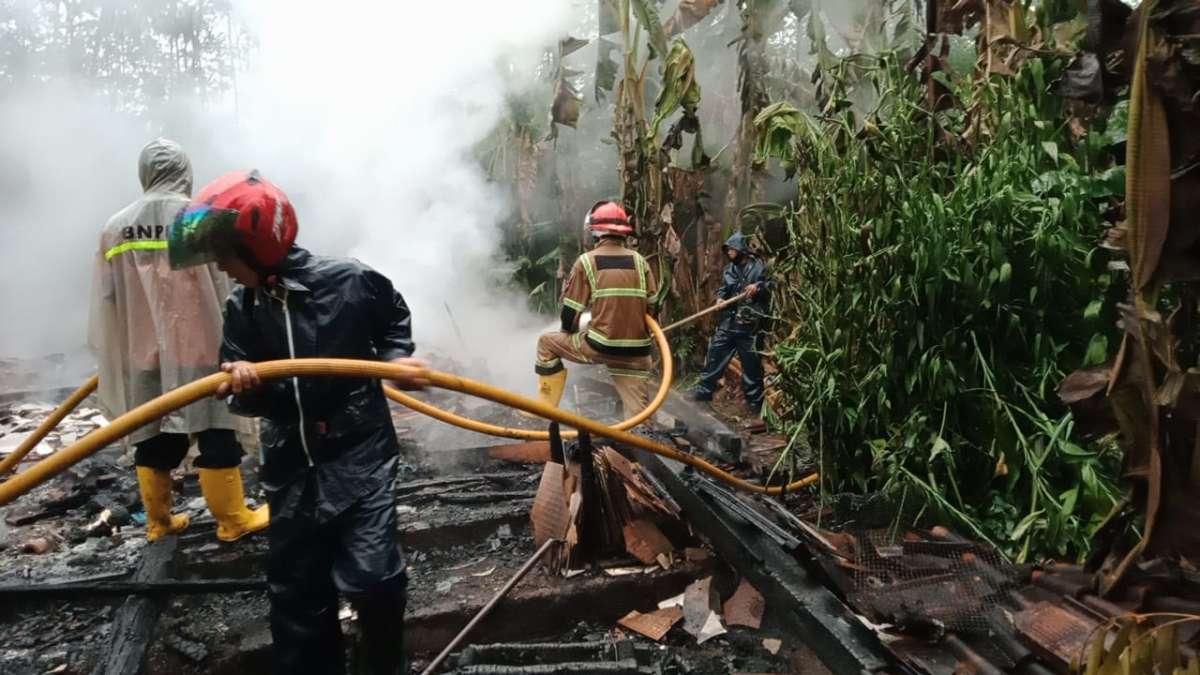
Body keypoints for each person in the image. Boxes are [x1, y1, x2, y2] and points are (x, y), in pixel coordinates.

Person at [167, 169, 426, 675]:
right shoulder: (242, 306)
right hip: (290, 465)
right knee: (296, 593)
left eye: (225, 251)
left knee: (374, 581)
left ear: (260, 244)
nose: (219, 264)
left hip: (360, 457)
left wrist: (398, 359)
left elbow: (393, 318)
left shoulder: (350, 281)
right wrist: (245, 383)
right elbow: (239, 389)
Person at [87, 138, 267, 543]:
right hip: (203, 347)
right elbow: (229, 281)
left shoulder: (114, 227)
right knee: (217, 429)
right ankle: (233, 519)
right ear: (184, 170)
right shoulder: (201, 218)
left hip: (143, 353)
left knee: (152, 432)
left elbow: (106, 296)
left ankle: (158, 522)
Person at [533, 201, 660, 419]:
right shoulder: (640, 262)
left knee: (546, 342)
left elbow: (570, 312)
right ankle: (640, 441)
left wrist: (569, 333)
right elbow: (653, 307)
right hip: (637, 352)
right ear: (624, 233)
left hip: (600, 346)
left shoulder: (587, 262)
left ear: (595, 233)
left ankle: (546, 409)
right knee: (638, 418)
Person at [688, 232, 773, 430]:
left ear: (741, 249)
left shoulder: (759, 266)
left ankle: (755, 410)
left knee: (751, 368)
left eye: (732, 249)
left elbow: (772, 285)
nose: (730, 252)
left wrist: (758, 287)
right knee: (715, 357)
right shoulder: (729, 270)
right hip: (728, 324)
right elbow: (723, 290)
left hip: (749, 326)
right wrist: (720, 299)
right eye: (728, 250)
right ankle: (702, 393)